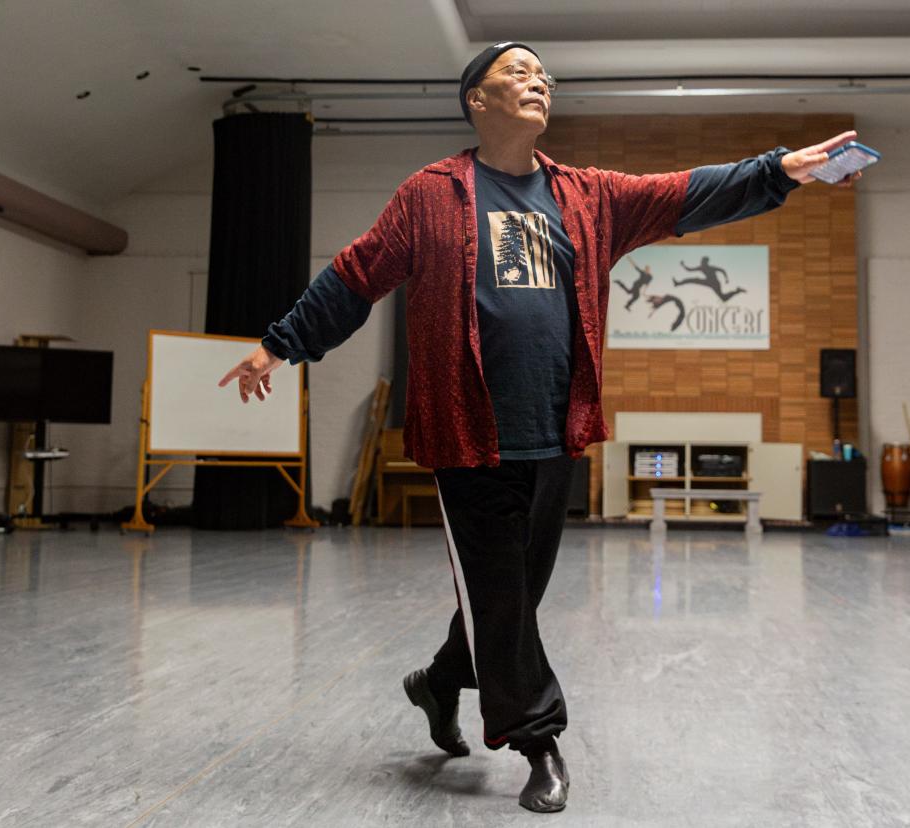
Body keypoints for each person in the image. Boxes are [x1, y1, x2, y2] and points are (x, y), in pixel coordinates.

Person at [218, 41, 860, 813]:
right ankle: (540, 740)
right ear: (476, 100)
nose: (538, 82)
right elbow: (356, 275)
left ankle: (440, 679)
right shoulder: (429, 195)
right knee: (501, 591)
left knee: (512, 595)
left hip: (556, 431)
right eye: (517, 73)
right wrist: (279, 344)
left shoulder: (587, 196)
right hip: (466, 435)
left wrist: (778, 169)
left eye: (543, 76)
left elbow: (686, 192)